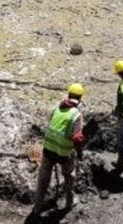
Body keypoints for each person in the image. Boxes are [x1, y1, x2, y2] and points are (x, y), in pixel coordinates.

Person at [30, 83, 86, 216]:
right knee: (69, 176)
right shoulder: (76, 115)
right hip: (64, 153)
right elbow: (77, 139)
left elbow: (52, 126)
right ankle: (69, 203)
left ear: (69, 95)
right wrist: (79, 153)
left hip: (48, 149)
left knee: (43, 180)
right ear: (80, 98)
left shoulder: (57, 109)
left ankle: (37, 208)